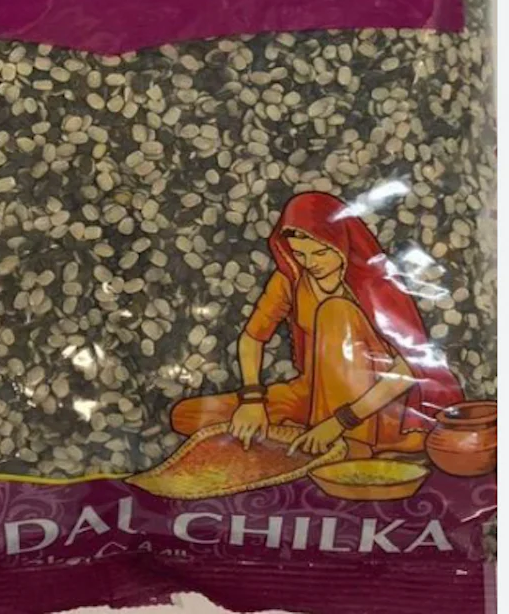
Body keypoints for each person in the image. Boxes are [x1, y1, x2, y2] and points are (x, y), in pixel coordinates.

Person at [171, 191, 463, 457]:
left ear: (342, 241)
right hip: (313, 393)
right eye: (300, 254)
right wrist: (251, 401)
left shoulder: (374, 282)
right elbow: (252, 338)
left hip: (376, 405)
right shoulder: (292, 279)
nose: (311, 262)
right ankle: (301, 436)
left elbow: (408, 367)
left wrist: (340, 421)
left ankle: (349, 444)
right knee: (188, 415)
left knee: (334, 311)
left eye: (321, 252)